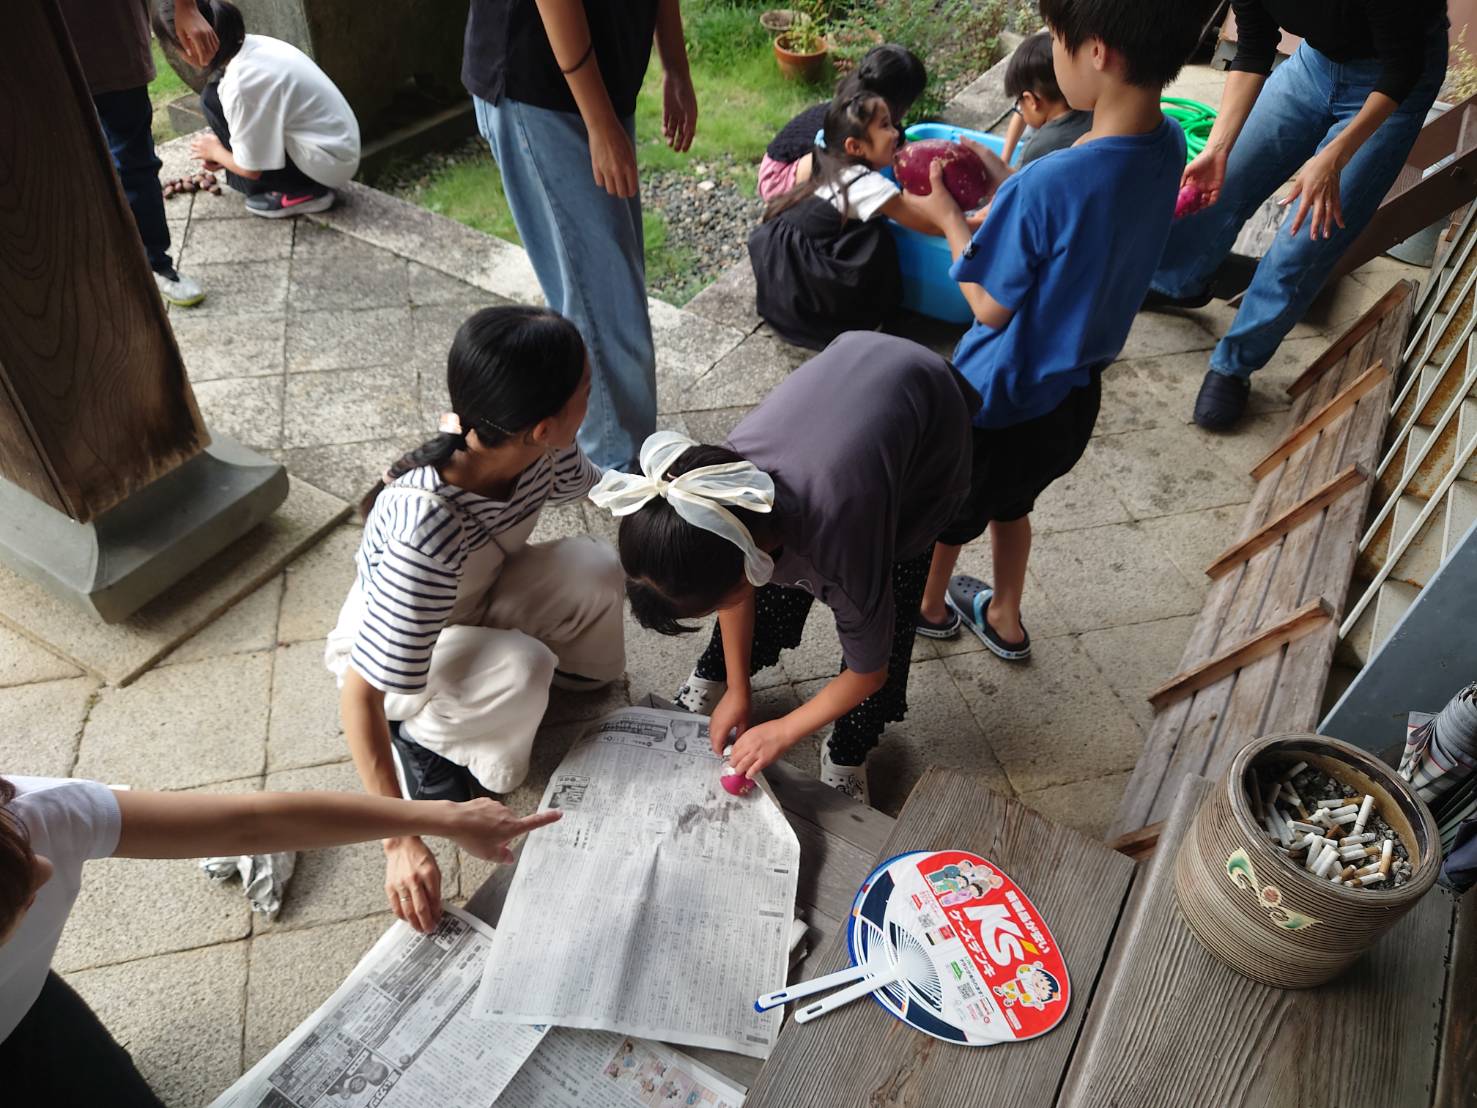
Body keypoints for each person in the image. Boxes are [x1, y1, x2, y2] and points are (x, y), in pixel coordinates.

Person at [910, 0, 1206, 658]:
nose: (1052, 48)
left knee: (951, 509)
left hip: (996, 398)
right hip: (1070, 399)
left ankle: (928, 607)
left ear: (1097, 52)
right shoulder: (1167, 145)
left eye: (1056, 38)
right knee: (1013, 502)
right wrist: (1009, 184)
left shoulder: (1046, 183)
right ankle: (1006, 616)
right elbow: (1082, 212)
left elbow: (988, 307)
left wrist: (948, 220)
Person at [0, 773, 558, 1104]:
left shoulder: (31, 815)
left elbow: (248, 823)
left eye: (26, 855)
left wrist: (441, 818)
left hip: (28, 1004)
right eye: (16, 900)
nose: (45, 871)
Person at [325, 305, 624, 922]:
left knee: (597, 565)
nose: (591, 399)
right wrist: (399, 839)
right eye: (586, 390)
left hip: (472, 596)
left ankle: (516, 690)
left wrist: (678, 499)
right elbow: (360, 697)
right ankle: (423, 739)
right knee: (523, 667)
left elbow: (602, 488)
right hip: (393, 651)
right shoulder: (423, 533)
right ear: (543, 426)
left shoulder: (538, 449)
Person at [590, 332, 979, 803]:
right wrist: (738, 688)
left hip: (928, 429)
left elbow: (869, 671)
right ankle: (716, 674)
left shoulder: (844, 547)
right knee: (772, 588)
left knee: (885, 615)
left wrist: (786, 730)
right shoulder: (712, 495)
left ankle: (849, 747)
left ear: (744, 571)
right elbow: (734, 589)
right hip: (856, 373)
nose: (722, 605)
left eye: (714, 603)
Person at [1144, 0, 1449, 431]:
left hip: (1395, 81)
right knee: (1224, 179)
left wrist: (1335, 156)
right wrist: (1217, 148)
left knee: (1308, 237)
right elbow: (1254, 47)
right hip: (1314, 66)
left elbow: (1403, 69)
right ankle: (1178, 282)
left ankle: (1234, 364)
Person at [463, 0, 697, 473]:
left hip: (597, 81)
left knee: (608, 299)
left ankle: (609, 459)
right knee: (604, 310)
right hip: (541, 85)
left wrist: (675, 65)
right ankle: (618, 475)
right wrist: (599, 122)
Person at [747, 91, 947, 351]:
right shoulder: (868, 185)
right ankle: (859, 321)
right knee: (877, 239)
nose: (896, 133)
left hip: (779, 281)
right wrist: (974, 221)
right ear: (855, 147)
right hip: (805, 284)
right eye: (885, 126)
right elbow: (929, 224)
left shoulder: (830, 161)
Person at [55, 0, 215, 306]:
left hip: (112, 41)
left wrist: (186, 7)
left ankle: (156, 265)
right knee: (57, 171)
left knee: (134, 162)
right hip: (30, 57)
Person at [155, 0, 361, 218]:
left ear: (190, 43)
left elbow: (251, 169)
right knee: (214, 97)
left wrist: (216, 151)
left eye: (175, 49)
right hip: (339, 147)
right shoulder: (251, 46)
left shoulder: (241, 85)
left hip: (328, 166)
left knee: (211, 101)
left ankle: (304, 192)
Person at [758, 43, 927, 203]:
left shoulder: (874, 108)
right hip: (778, 178)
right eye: (908, 103)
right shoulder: (848, 120)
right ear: (894, 101)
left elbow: (904, 148)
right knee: (840, 156)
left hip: (825, 161)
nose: (908, 110)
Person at [1002, 31, 1093, 165]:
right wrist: (1004, 159)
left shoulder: (1039, 148)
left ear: (1031, 100)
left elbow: (1021, 178)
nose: (1020, 111)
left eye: (1019, 106)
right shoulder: (1094, 112)